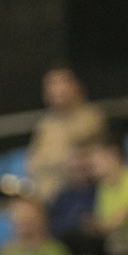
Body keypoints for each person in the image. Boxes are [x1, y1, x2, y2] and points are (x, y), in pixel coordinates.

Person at [27, 68, 106, 201]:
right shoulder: (45, 125)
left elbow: (77, 159)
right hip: (45, 195)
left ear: (76, 87)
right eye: (52, 84)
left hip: (80, 192)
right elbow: (33, 162)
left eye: (63, 82)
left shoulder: (91, 117)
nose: (57, 89)